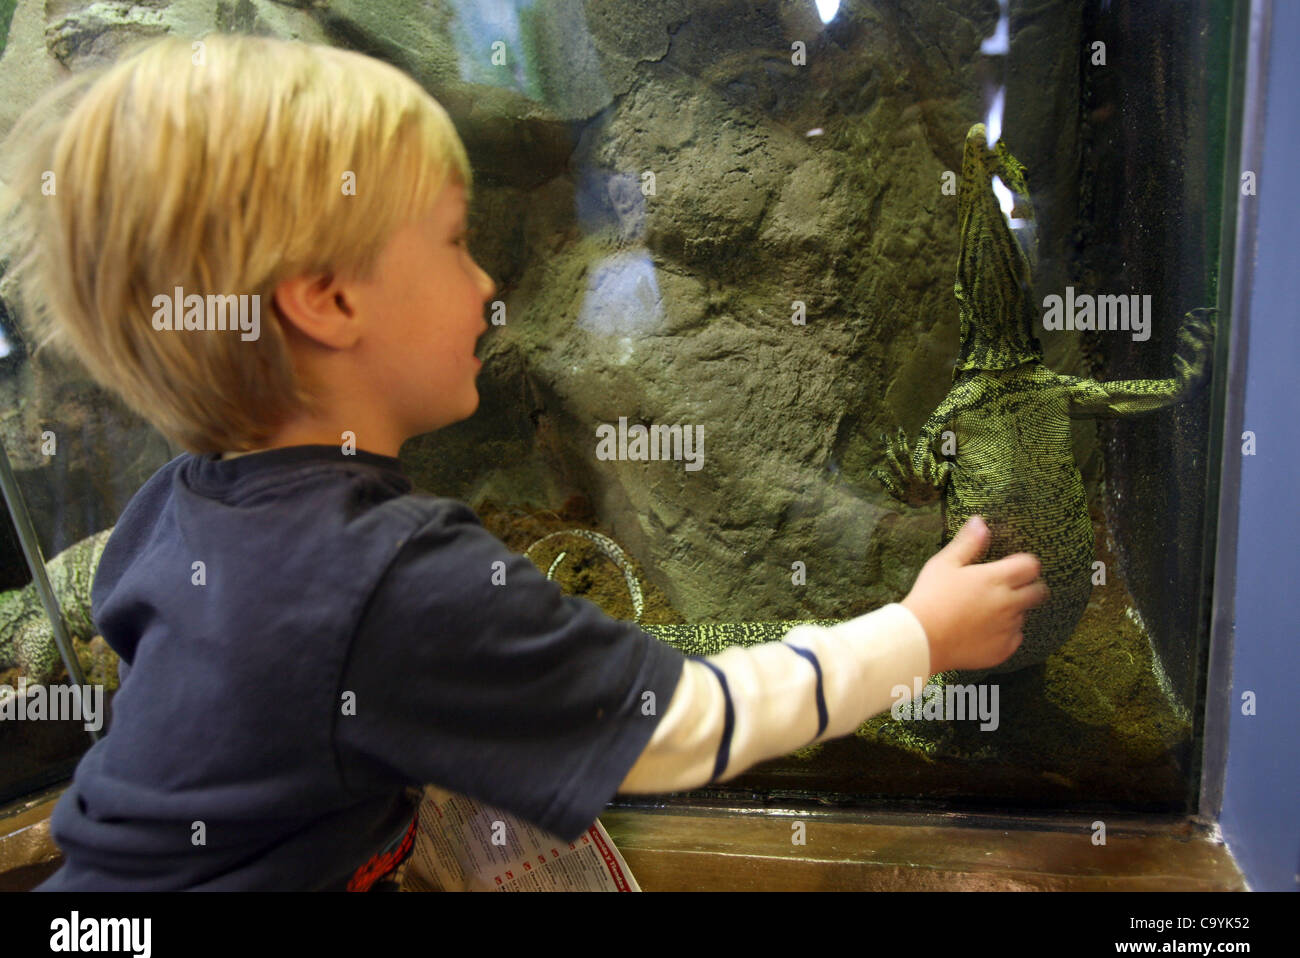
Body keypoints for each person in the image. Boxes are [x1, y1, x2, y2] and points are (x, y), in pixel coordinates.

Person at [1, 34, 1047, 890]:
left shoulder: (173, 511)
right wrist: (915, 637)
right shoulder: (388, 578)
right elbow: (681, 728)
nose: (488, 278)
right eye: (454, 242)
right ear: (328, 300)